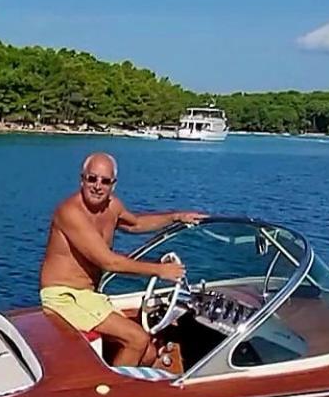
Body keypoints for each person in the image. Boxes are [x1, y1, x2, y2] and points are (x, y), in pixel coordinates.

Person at [39, 152, 206, 368]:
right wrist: (159, 270)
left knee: (148, 353)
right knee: (136, 338)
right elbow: (108, 262)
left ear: (113, 185)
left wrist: (175, 216)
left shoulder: (113, 206)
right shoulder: (70, 212)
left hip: (87, 297)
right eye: (92, 179)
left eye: (105, 181)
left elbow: (136, 224)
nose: (98, 186)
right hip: (63, 296)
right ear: (82, 179)